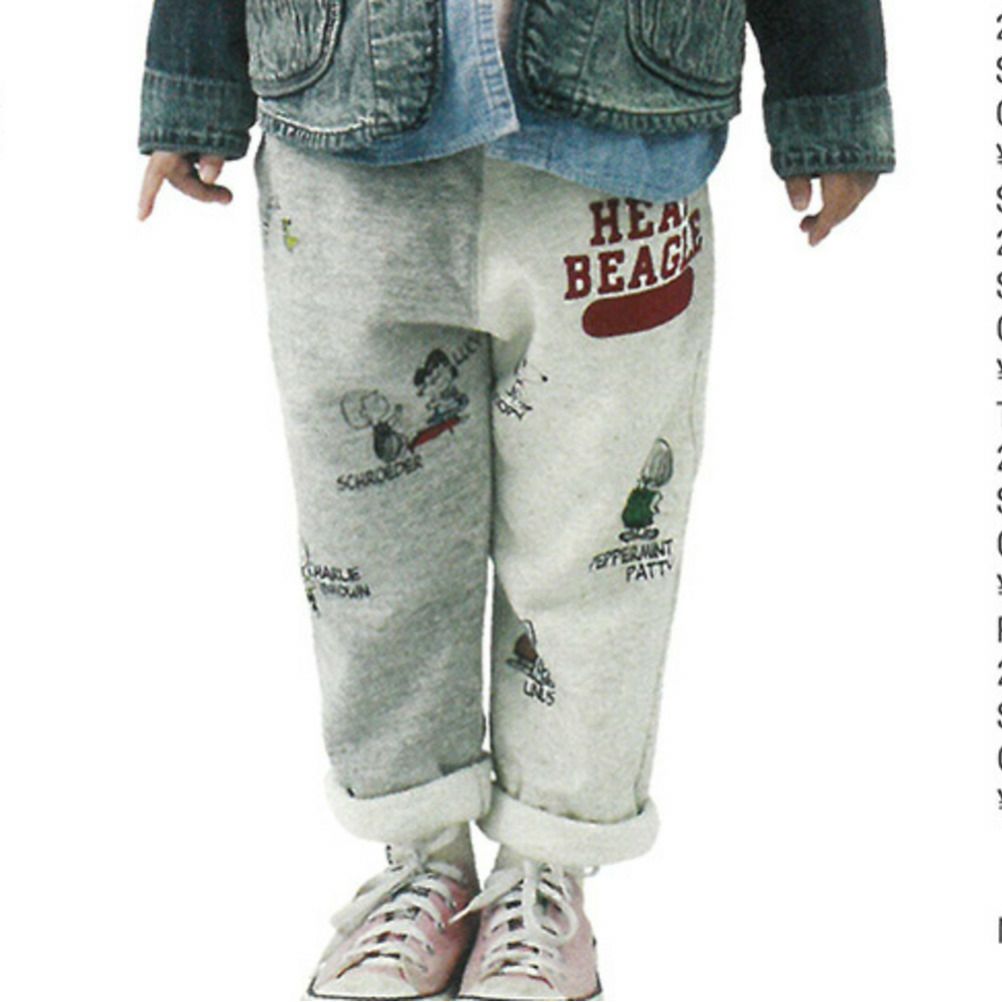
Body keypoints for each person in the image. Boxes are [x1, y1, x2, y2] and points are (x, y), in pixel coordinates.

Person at [137, 1, 895, 998]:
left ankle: (547, 870)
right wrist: (190, 85)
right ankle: (420, 858)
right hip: (344, 137)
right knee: (370, 540)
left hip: (621, 137)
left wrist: (831, 98)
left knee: (601, 543)